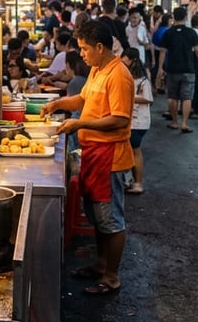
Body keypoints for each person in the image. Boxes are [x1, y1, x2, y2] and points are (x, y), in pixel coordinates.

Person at [42, 20, 134, 296]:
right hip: (94, 154)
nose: (81, 54)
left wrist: (79, 124)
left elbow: (119, 119)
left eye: (84, 49)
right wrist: (58, 104)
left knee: (111, 221)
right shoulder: (97, 69)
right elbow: (82, 100)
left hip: (110, 157)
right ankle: (100, 264)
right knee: (96, 216)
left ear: (100, 47)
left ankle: (111, 277)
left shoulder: (119, 75)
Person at [157, 7, 198, 133]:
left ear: (173, 17)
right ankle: (184, 123)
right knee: (187, 97)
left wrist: (160, 68)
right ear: (185, 17)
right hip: (188, 69)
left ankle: (174, 122)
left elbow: (162, 51)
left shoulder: (168, 32)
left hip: (172, 69)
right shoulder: (191, 32)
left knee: (173, 96)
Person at [123, 48, 152, 195]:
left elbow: (148, 98)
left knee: (135, 150)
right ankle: (130, 180)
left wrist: (128, 97)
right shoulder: (130, 76)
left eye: (125, 60)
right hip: (131, 120)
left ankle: (138, 183)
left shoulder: (142, 80)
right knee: (130, 150)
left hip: (138, 122)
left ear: (133, 60)